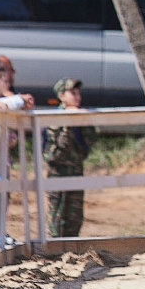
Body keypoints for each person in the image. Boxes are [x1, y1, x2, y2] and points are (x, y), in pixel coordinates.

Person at [42, 78, 95, 237]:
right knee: (57, 214)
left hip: (76, 171)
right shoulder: (54, 120)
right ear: (61, 96)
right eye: (72, 93)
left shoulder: (81, 117)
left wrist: (85, 121)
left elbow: (90, 142)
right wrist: (67, 123)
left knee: (75, 215)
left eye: (78, 93)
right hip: (59, 173)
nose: (77, 97)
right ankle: (56, 249)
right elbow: (52, 154)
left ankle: (72, 247)